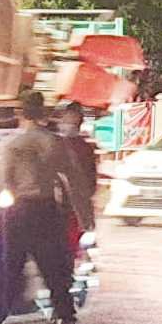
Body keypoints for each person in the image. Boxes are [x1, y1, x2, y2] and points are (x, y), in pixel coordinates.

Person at [0, 91, 81, 324]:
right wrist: (83, 218)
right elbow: (74, 180)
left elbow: (1, 184)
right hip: (47, 212)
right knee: (57, 277)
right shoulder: (54, 143)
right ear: (43, 112)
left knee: (5, 277)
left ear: (20, 113)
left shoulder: (13, 145)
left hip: (19, 214)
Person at [56, 101, 97, 258]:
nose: (68, 122)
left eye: (72, 119)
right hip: (58, 204)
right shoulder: (54, 144)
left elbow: (90, 179)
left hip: (78, 205)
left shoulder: (84, 148)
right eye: (66, 119)